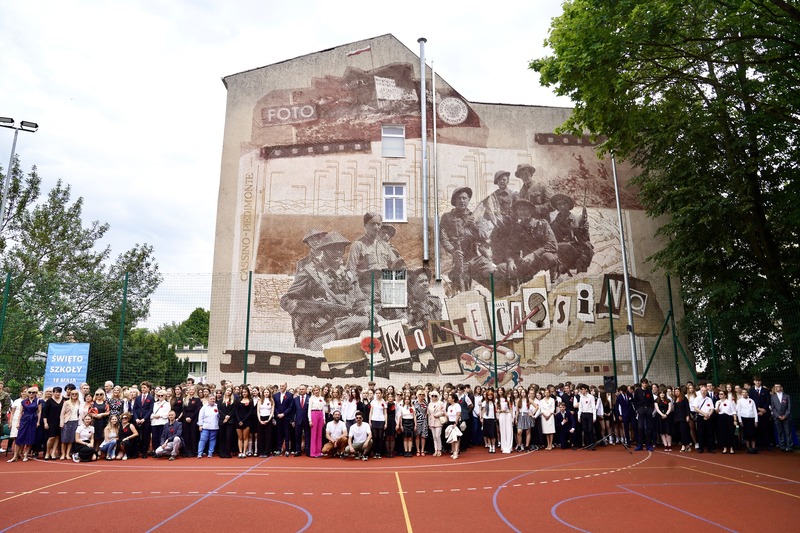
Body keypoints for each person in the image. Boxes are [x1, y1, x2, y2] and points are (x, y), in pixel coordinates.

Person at [281, 232, 374, 350]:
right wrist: (309, 308)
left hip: (344, 324)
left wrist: (368, 309)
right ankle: (317, 345)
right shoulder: (310, 273)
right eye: (333, 249)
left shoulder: (347, 275)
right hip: (319, 330)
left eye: (341, 249)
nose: (338, 252)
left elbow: (360, 300)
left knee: (365, 321)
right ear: (324, 250)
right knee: (358, 321)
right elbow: (286, 299)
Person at [492, 199, 559, 294]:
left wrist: (534, 254)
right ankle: (512, 294)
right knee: (502, 268)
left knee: (548, 257)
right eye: (519, 210)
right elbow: (511, 249)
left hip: (541, 261)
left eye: (525, 209)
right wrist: (511, 261)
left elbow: (553, 245)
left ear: (530, 211)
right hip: (527, 263)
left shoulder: (542, 224)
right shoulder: (517, 228)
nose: (522, 212)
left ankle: (550, 283)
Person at [439, 187, 495, 292]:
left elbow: (484, 237)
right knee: (464, 289)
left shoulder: (475, 216)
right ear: (455, 200)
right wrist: (453, 251)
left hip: (476, 256)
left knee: (493, 273)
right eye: (459, 198)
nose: (462, 201)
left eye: (464, 198)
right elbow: (443, 238)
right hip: (460, 258)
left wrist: (474, 225)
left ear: (469, 200)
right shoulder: (447, 217)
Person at [346, 212, 406, 298]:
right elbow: (350, 270)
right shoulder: (358, 245)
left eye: (378, 224)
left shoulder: (384, 246)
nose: (376, 227)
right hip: (366, 289)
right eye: (372, 224)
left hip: (385, 287)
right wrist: (357, 293)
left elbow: (396, 265)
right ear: (365, 225)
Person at [549, 193, 593, 275]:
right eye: (559, 204)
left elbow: (583, 239)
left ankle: (581, 275)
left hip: (575, 247)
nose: (562, 206)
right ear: (557, 207)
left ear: (569, 205)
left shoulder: (577, 219)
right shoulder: (554, 224)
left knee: (587, 249)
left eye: (564, 203)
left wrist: (585, 230)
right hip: (561, 249)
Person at [9, 385, 42, 462]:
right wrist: (18, 423)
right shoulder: (23, 402)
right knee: (19, 438)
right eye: (29, 392)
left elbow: (39, 412)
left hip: (33, 420)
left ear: (35, 393)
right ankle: (15, 456)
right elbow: (20, 413)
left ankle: (26, 455)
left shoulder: (38, 401)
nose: (31, 394)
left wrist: (38, 421)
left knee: (30, 438)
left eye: (33, 392)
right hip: (24, 420)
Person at [133, 381, 154, 458]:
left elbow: (150, 409)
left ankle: (144, 452)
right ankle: (136, 452)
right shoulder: (138, 398)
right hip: (138, 419)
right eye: (142, 387)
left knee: (145, 436)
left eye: (145, 387)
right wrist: (136, 418)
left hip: (146, 420)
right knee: (137, 436)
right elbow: (134, 409)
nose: (143, 389)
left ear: (148, 388)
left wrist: (144, 418)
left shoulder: (151, 398)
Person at [633, 378, 655, 451]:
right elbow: (635, 401)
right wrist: (637, 410)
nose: (644, 384)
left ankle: (648, 444)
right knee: (640, 427)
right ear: (641, 384)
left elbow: (652, 401)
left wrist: (651, 410)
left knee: (648, 428)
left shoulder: (649, 391)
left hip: (648, 410)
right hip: (640, 410)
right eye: (643, 383)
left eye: (646, 383)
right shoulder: (637, 391)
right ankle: (640, 444)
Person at [42, 386, 64, 460]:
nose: (57, 393)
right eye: (56, 392)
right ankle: (48, 452)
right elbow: (44, 413)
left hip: (60, 421)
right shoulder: (49, 401)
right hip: (51, 422)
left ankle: (53, 452)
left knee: (57, 437)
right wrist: (45, 423)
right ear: (53, 393)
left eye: (59, 392)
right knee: (51, 437)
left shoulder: (63, 400)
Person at [273, 382, 294, 456]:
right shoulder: (275, 395)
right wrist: (277, 414)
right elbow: (274, 406)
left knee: (286, 433)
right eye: (280, 386)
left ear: (286, 386)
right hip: (278, 417)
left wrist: (284, 414)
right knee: (279, 433)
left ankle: (287, 449)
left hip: (286, 417)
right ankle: (279, 449)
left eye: (283, 386)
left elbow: (291, 407)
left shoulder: (290, 395)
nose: (281, 387)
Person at [736, 388, 759, 453]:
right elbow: (739, 411)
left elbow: (755, 410)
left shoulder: (751, 401)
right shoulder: (739, 401)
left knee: (753, 434)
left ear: (747, 393)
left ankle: (753, 448)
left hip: (751, 418)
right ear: (741, 394)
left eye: (746, 392)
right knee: (746, 433)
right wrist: (740, 421)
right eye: (743, 392)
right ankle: (748, 448)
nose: (744, 394)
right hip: (744, 418)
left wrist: (756, 420)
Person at [234, 385, 254, 458]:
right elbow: (235, 411)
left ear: (248, 392)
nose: (244, 393)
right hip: (238, 421)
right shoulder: (238, 400)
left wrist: (243, 420)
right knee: (240, 437)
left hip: (247, 421)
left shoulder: (250, 400)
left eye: (245, 392)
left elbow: (250, 412)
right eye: (243, 392)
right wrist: (239, 420)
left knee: (245, 437)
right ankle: (240, 452)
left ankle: (244, 452)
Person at [771, 383, 792, 452]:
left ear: (781, 388)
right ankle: (782, 446)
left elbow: (789, 408)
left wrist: (785, 415)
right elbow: (773, 408)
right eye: (775, 387)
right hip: (777, 417)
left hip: (786, 417)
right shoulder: (773, 397)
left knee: (788, 432)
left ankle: (789, 446)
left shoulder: (787, 396)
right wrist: (778, 415)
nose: (777, 388)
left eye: (778, 387)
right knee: (780, 432)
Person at [197, 394, 219, 458]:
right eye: (211, 399)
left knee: (212, 440)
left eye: (213, 399)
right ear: (208, 400)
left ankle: (210, 453)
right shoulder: (204, 407)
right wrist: (200, 425)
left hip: (214, 426)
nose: (212, 400)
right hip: (205, 426)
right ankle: (200, 453)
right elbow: (200, 417)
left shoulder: (217, 406)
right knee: (203, 440)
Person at [576, 384, 597, 451]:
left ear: (586, 389)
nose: (581, 391)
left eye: (582, 389)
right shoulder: (581, 397)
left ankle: (592, 444)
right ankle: (587, 444)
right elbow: (580, 407)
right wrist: (579, 416)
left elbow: (594, 407)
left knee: (590, 429)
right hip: (583, 415)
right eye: (580, 389)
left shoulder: (591, 397)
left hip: (590, 414)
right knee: (585, 430)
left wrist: (594, 417)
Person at [427, 390, 447, 457]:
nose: (434, 397)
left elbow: (444, 412)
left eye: (435, 396)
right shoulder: (429, 404)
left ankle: (439, 449)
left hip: (438, 421)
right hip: (432, 421)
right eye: (432, 396)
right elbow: (428, 414)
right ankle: (435, 450)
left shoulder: (441, 403)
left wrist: (438, 414)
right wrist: (428, 423)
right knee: (434, 437)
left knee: (438, 436)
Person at [369, 388, 387, 458]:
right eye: (376, 393)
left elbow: (385, 413)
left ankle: (379, 452)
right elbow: (371, 412)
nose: (378, 395)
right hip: (374, 420)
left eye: (379, 393)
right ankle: (375, 452)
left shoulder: (384, 402)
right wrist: (370, 421)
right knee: (375, 437)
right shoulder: (373, 402)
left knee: (380, 437)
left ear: (382, 394)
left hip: (381, 421)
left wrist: (386, 423)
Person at [150, 389, 170, 454]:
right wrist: (153, 416)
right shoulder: (155, 404)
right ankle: (155, 451)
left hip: (162, 422)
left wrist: (160, 415)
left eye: (162, 395)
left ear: (164, 396)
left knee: (161, 437)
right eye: (159, 395)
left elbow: (167, 414)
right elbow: (151, 412)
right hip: (154, 423)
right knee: (154, 437)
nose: (160, 397)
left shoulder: (167, 404)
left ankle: (160, 451)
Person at [308, 385, 325, 458]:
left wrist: (324, 419)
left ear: (319, 390)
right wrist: (310, 420)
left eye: (317, 390)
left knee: (319, 434)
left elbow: (323, 409)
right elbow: (309, 410)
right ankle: (313, 452)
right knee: (314, 434)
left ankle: (318, 451)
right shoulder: (311, 399)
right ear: (313, 391)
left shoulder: (322, 398)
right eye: (314, 390)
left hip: (320, 414)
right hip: (314, 414)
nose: (316, 391)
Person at [445, 392, 462, 459]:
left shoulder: (457, 405)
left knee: (456, 438)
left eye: (449, 398)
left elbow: (458, 414)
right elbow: (448, 415)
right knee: (452, 438)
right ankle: (453, 450)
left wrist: (456, 423)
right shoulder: (449, 407)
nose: (448, 399)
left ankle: (456, 452)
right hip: (450, 423)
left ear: (453, 399)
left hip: (455, 423)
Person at [496, 387, 513, 454]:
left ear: (503, 391)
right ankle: (503, 447)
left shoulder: (507, 399)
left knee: (509, 430)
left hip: (508, 415)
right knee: (502, 431)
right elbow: (496, 410)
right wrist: (500, 411)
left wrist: (512, 417)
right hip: (501, 415)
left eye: (501, 390)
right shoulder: (497, 400)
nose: (500, 391)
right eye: (499, 390)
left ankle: (509, 447)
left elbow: (510, 408)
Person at [413, 389, 429, 456]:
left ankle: (422, 450)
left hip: (424, 421)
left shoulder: (426, 403)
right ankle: (418, 450)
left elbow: (426, 413)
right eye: (420, 394)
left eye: (423, 395)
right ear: (417, 395)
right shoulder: (414, 402)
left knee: (423, 436)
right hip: (417, 420)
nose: (421, 396)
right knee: (417, 435)